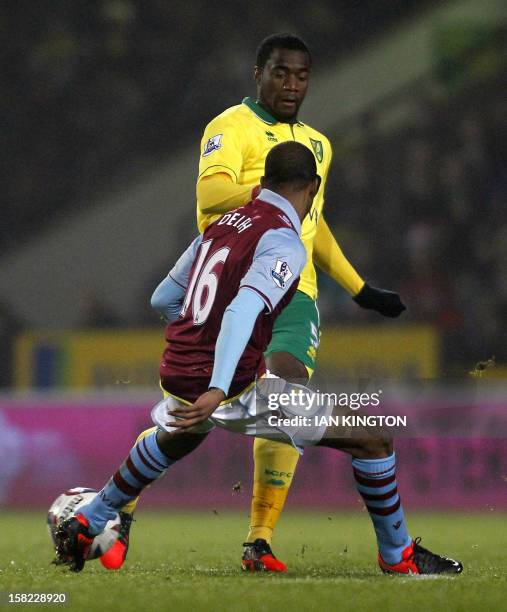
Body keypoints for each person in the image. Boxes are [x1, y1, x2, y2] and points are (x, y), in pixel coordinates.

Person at [54, 142, 462, 577]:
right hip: (237, 388)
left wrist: (197, 345)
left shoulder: (219, 227)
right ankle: (398, 556)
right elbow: (241, 310)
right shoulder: (284, 241)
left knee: (179, 436)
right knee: (374, 439)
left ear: (263, 182)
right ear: (313, 188)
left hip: (176, 372)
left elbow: (163, 297)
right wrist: (218, 385)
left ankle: (91, 518)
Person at [121, 33, 406, 573]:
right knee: (199, 420)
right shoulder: (229, 127)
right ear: (259, 73)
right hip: (232, 282)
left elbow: (312, 226)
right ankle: (121, 502)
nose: (291, 85)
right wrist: (273, 187)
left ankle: (259, 539)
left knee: (287, 389)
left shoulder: (318, 144)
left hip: (293, 292)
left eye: (300, 75)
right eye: (280, 73)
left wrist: (360, 288)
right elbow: (211, 198)